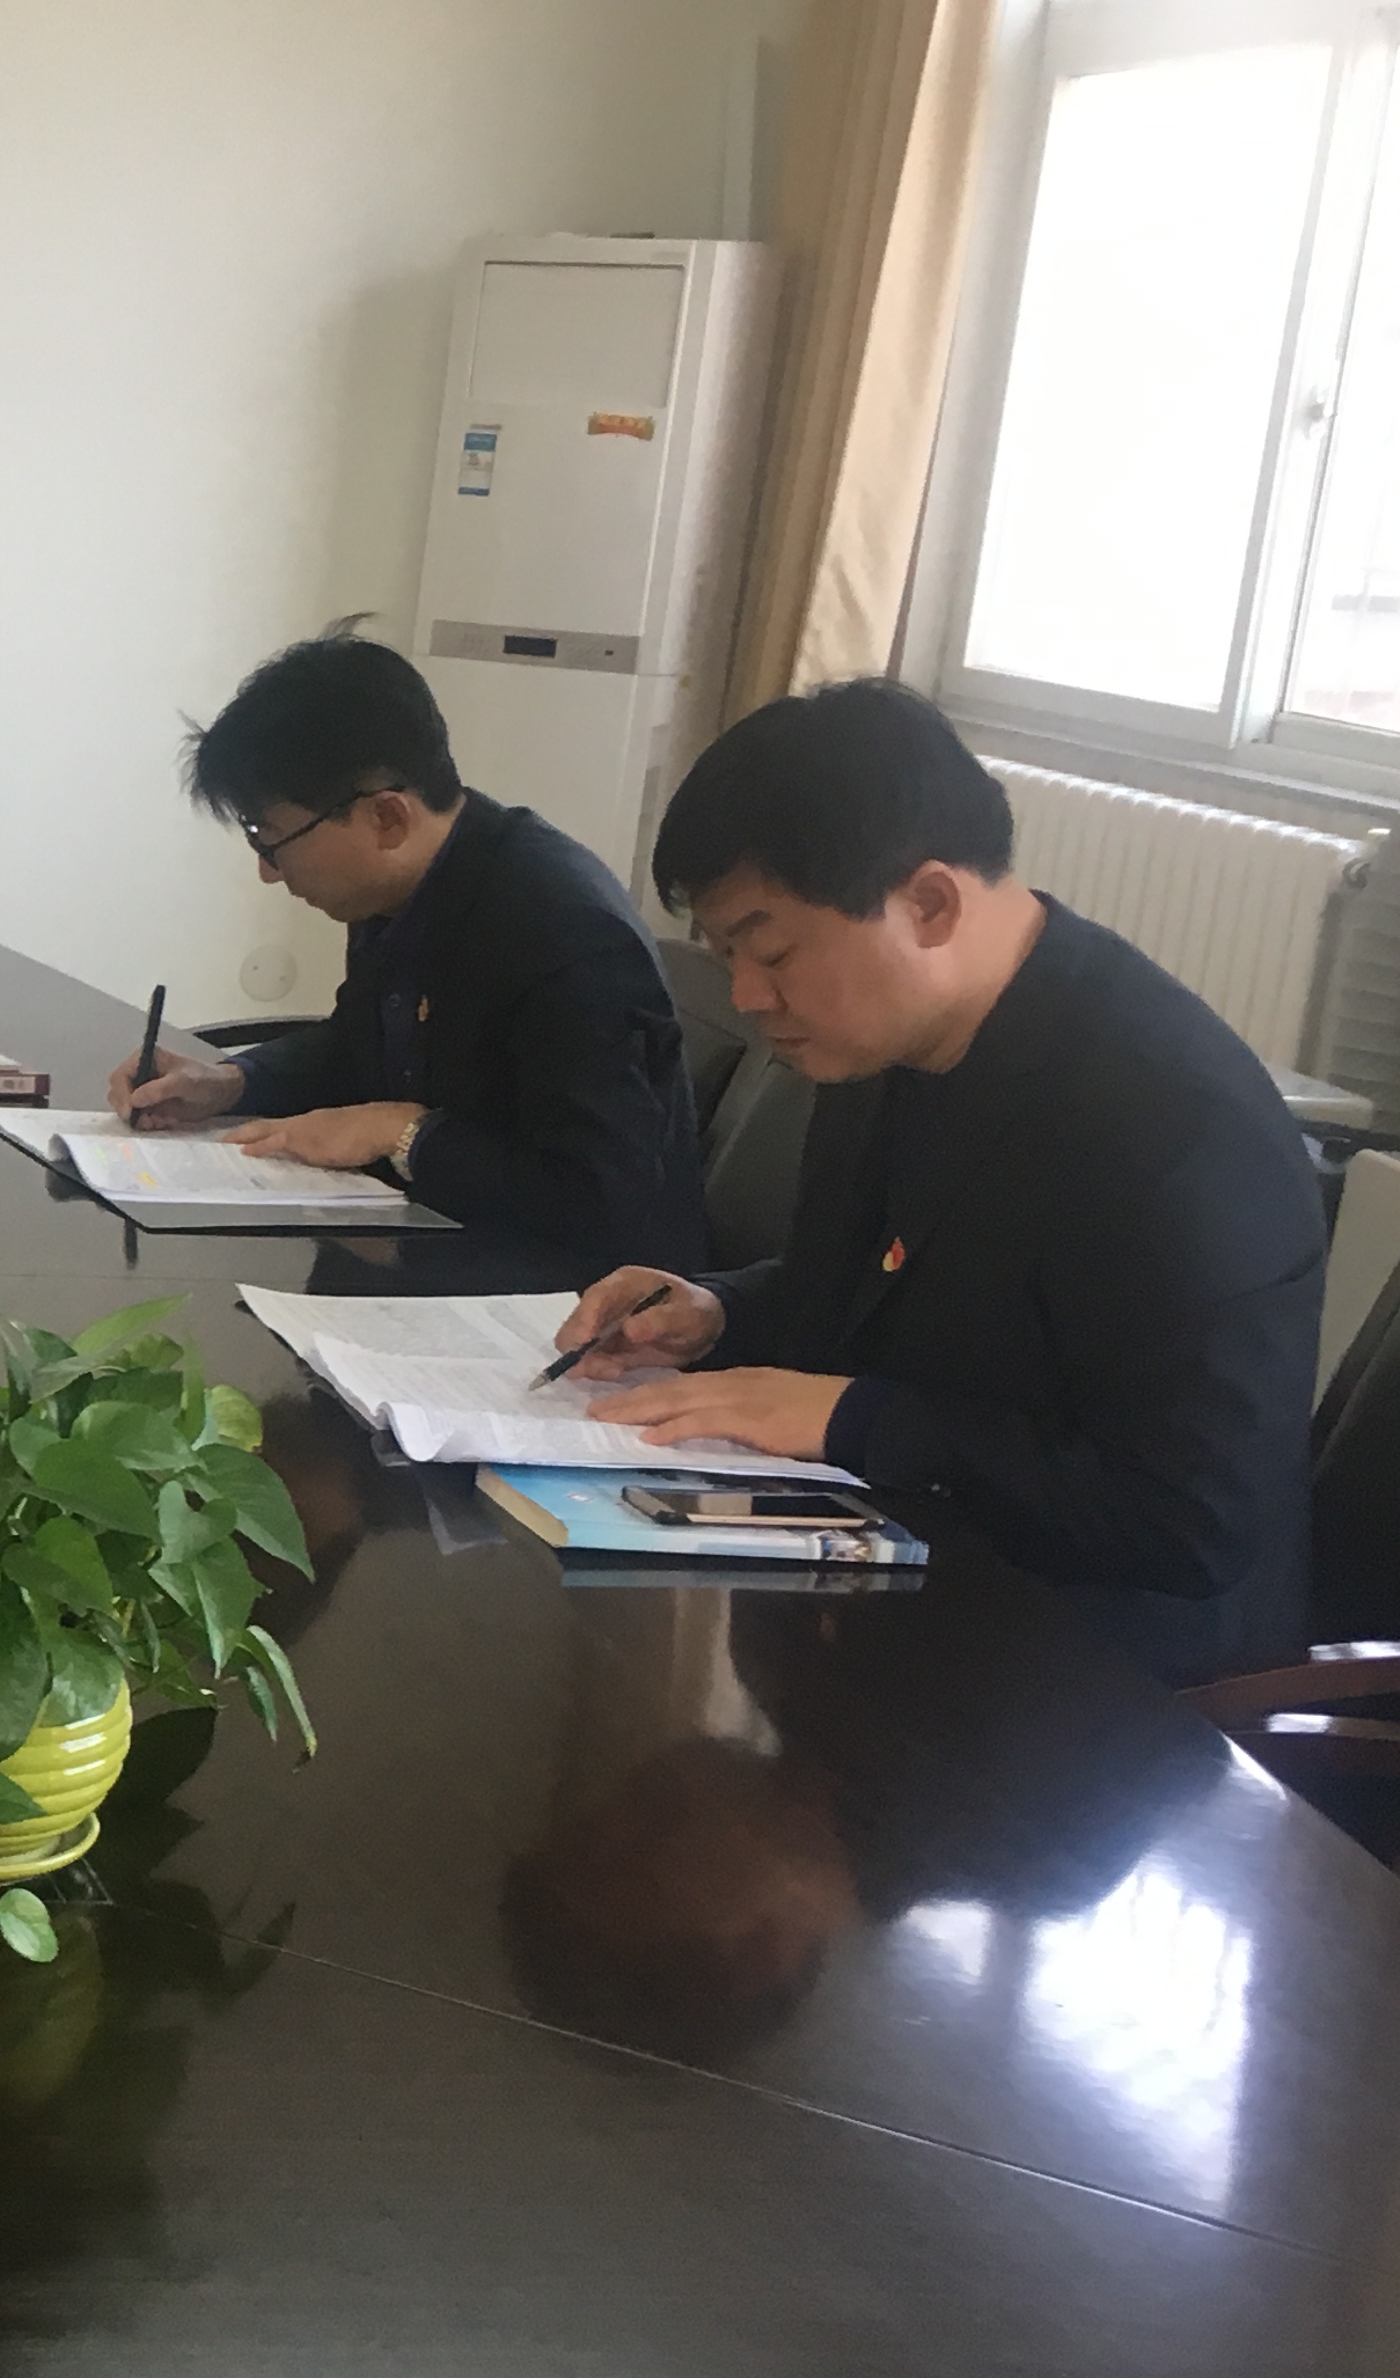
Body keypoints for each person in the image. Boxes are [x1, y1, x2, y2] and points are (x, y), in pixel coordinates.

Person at [554, 679, 1325, 1682]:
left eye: (772, 952)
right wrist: (715, 1313)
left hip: (1102, 1684)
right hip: (893, 1592)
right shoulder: (888, 1042)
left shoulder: (1174, 1126)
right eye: (728, 955)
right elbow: (887, 1294)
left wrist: (860, 1421)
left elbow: (1190, 1519)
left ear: (928, 904)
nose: (746, 996)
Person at [107, 627, 705, 1271]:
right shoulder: (398, 891)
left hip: (566, 1295)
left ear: (387, 817)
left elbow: (600, 1194)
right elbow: (357, 1043)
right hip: (428, 1240)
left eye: (271, 839)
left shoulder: (564, 929)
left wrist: (404, 1133)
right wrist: (230, 1083)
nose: (268, 872)